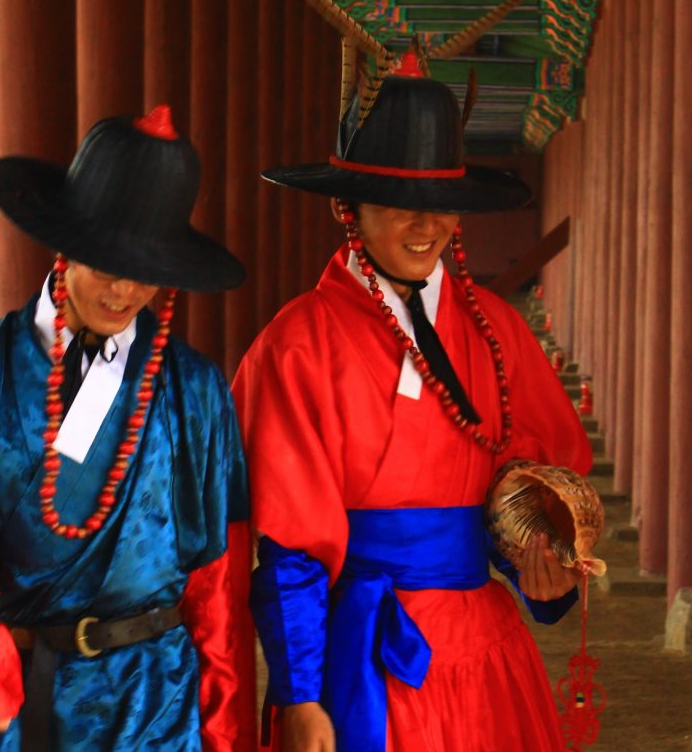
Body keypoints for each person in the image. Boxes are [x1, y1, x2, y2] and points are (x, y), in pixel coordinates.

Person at [232, 53, 594, 751]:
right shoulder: (298, 344)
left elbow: (533, 493)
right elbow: (289, 548)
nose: (425, 226)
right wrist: (301, 693)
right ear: (351, 207)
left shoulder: (496, 328)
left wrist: (543, 571)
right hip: (361, 659)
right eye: (400, 204)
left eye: (441, 205)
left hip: (485, 652)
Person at [0, 105, 256, 752]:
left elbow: (217, 579)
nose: (126, 289)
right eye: (108, 263)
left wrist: (224, 724)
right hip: (22, 698)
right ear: (65, 243)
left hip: (157, 700)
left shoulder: (194, 389)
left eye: (149, 270)